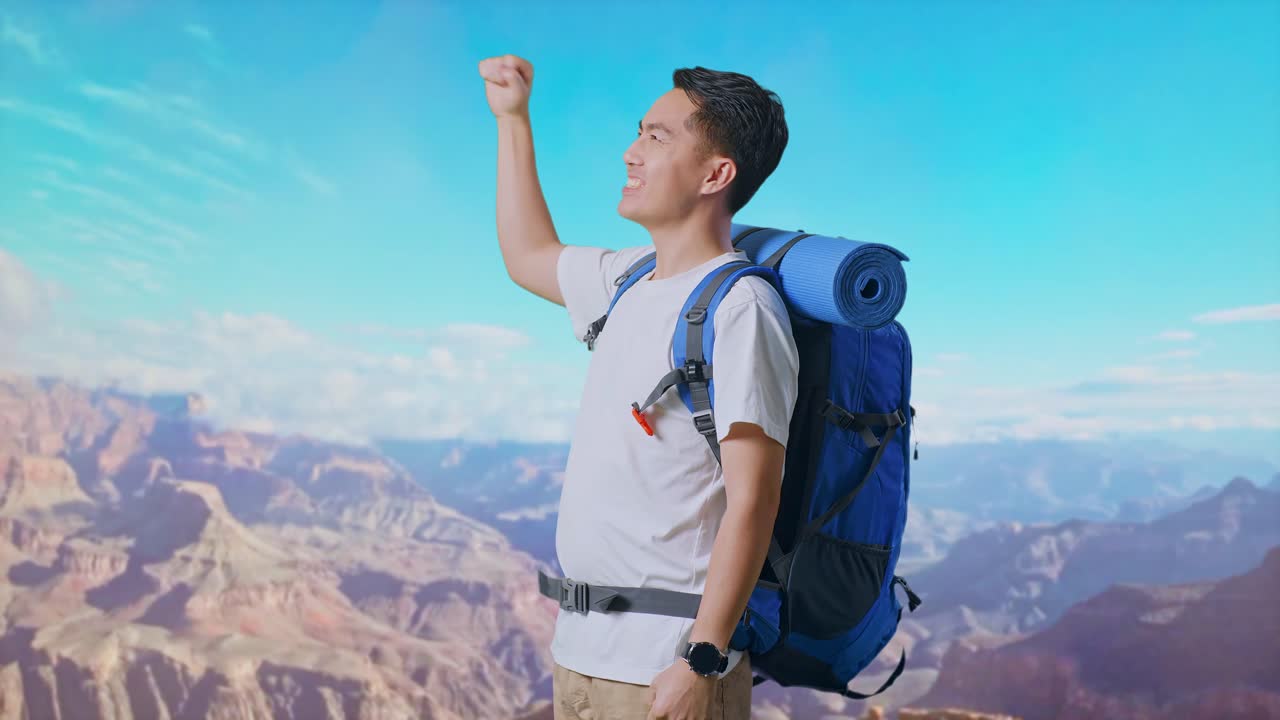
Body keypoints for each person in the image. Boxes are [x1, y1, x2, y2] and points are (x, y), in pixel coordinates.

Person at [480, 53, 798, 720]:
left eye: (658, 136)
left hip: (662, 668)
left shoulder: (741, 310)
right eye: (639, 131)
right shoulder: (627, 280)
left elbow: (754, 500)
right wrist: (513, 119)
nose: (631, 153)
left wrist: (700, 661)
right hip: (581, 656)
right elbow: (526, 256)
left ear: (717, 173)